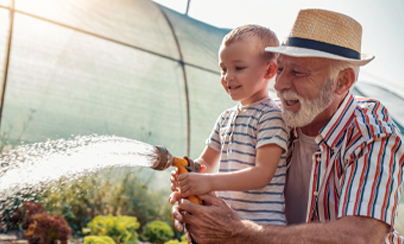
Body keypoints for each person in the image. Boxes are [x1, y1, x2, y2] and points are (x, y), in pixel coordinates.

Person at [169, 9, 404, 244]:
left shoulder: (372, 135)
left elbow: (359, 237)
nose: (279, 85)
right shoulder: (281, 118)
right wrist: (195, 205)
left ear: (342, 81)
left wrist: (238, 230)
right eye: (280, 69)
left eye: (298, 73)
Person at [176, 24, 289, 225]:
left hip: (262, 228)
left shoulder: (271, 116)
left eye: (238, 68)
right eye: (223, 69)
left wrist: (208, 182)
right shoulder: (225, 118)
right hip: (228, 223)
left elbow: (262, 173)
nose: (228, 76)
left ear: (269, 70)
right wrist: (188, 173)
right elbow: (206, 163)